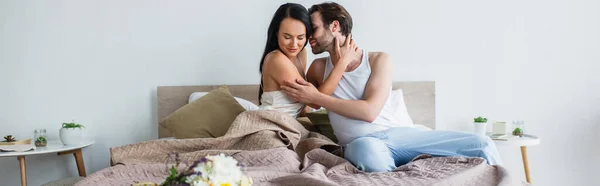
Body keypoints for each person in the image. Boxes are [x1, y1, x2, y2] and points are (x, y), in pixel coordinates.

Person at [281, 2, 502, 172]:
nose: (309, 36)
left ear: (335, 26)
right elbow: (306, 106)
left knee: (482, 144)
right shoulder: (319, 68)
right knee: (368, 155)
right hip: (361, 143)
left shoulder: (378, 60)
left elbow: (369, 112)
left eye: (314, 29)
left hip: (402, 135)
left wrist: (319, 98)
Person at [257, 3, 313, 118]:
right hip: (271, 123)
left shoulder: (301, 53)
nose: (294, 44)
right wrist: (342, 63)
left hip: (290, 125)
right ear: (277, 33)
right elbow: (314, 101)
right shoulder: (276, 59)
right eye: (287, 37)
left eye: (300, 37)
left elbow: (304, 106)